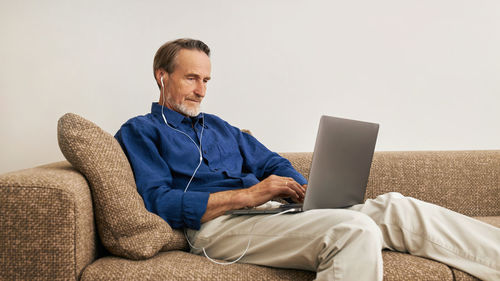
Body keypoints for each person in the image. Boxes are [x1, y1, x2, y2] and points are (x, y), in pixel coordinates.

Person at [115, 38, 500, 281]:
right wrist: (249, 196)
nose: (201, 91)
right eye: (191, 79)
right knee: (353, 229)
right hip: (215, 228)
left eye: (207, 81)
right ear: (162, 76)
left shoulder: (219, 127)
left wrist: (301, 189)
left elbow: (272, 163)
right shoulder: (140, 131)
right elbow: (158, 201)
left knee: (396, 207)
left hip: (268, 215)